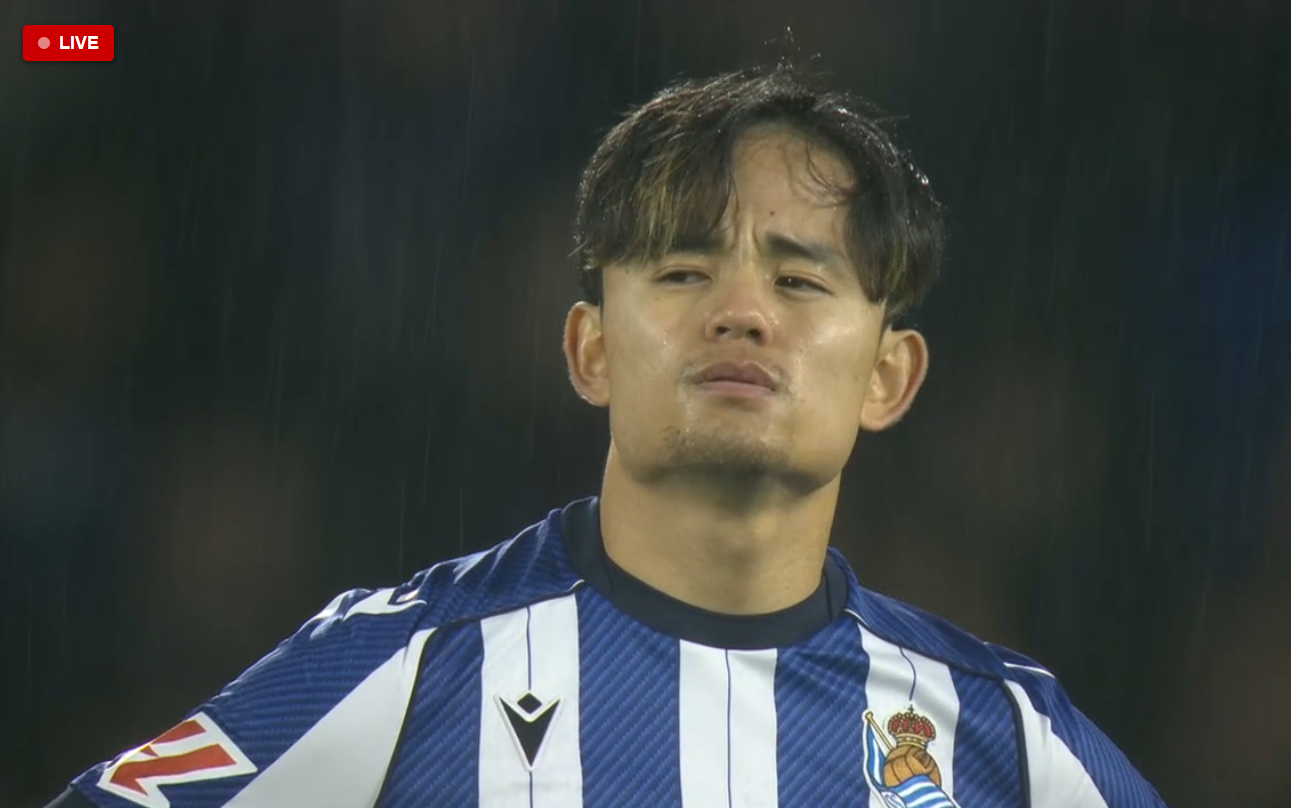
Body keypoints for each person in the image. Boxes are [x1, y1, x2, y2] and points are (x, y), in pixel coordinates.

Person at [49, 67, 1167, 808]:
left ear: (889, 374)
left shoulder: (1001, 731)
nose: (741, 311)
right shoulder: (409, 665)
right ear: (589, 349)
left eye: (797, 279)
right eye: (681, 271)